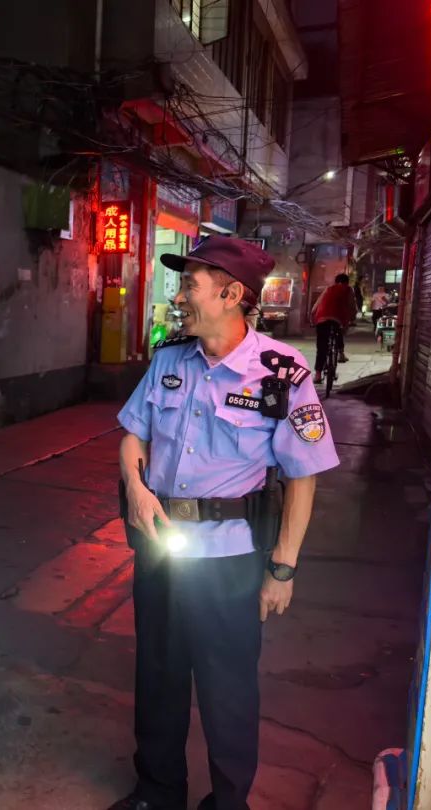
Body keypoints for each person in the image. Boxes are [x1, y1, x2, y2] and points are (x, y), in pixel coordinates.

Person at [109, 236, 339, 810]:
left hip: (231, 559)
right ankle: (157, 791)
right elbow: (133, 432)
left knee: (226, 688)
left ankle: (229, 800)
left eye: (190, 284)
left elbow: (304, 474)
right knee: (157, 675)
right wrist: (137, 489)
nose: (179, 295)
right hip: (162, 546)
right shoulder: (169, 359)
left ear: (231, 294)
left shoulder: (281, 373)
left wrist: (282, 567)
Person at [311, 273, 358, 382]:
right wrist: (352, 318)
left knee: (322, 348)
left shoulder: (328, 289)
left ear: (336, 281)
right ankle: (341, 353)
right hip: (337, 318)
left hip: (321, 319)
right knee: (339, 330)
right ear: (347, 282)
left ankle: (318, 375)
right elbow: (352, 306)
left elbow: (316, 306)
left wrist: (312, 316)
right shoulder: (348, 289)